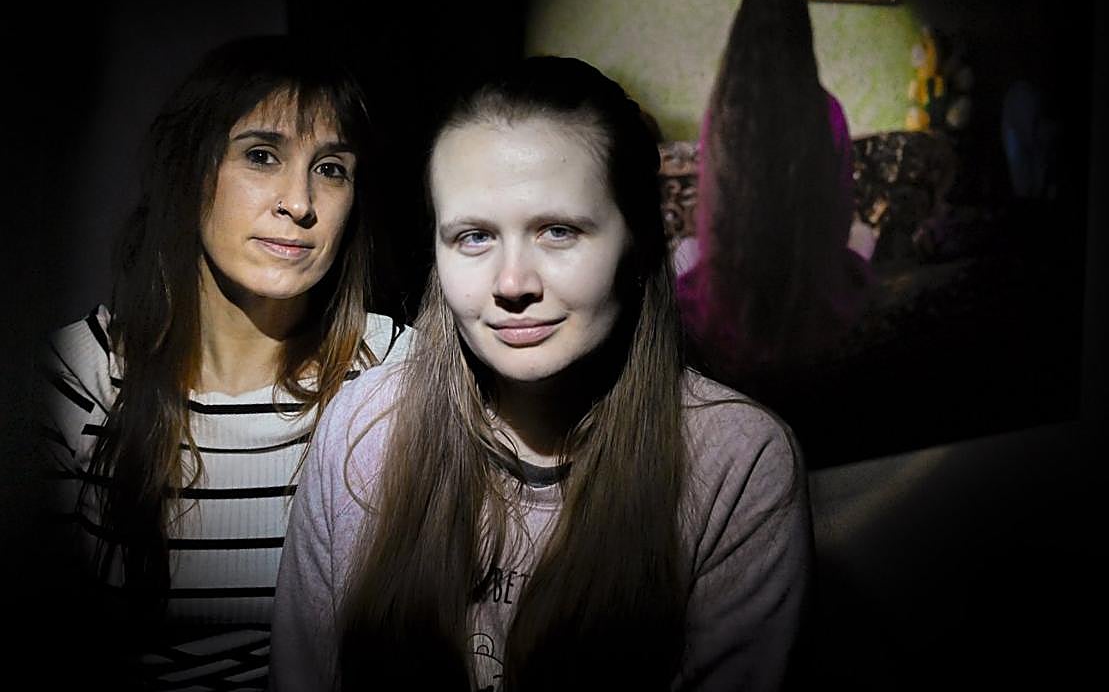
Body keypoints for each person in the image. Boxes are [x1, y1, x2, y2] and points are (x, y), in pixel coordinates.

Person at [270, 56, 811, 690]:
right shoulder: (367, 428)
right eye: (474, 237)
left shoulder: (735, 459)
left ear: (638, 239)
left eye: (558, 231)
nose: (512, 284)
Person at [41, 35, 411, 689]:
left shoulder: (393, 369)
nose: (299, 203)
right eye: (262, 156)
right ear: (191, 172)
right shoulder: (82, 376)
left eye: (331, 169)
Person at [675, 0, 872, 396]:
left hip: (734, 287)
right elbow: (839, 215)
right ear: (803, 35)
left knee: (683, 253)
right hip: (809, 285)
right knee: (866, 237)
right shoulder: (826, 110)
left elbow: (712, 214)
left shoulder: (722, 111)